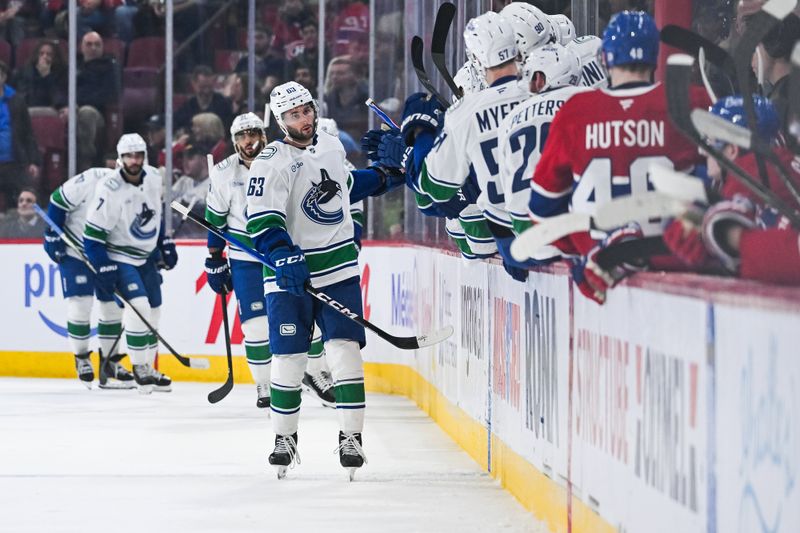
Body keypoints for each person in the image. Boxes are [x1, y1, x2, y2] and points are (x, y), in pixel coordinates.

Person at [245, 81, 403, 478]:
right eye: (293, 115)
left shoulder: (331, 145)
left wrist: (387, 176)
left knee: (345, 352)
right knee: (288, 361)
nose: (303, 119)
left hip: (338, 269)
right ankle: (284, 439)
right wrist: (282, 254)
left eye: (306, 110)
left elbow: (346, 188)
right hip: (287, 278)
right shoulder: (269, 160)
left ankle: (351, 439)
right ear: (280, 121)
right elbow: (262, 220)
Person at [527, 11, 710, 304]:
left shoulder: (576, 111)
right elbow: (723, 184)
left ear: (606, 60)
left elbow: (541, 210)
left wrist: (584, 252)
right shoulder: (691, 100)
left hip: (601, 276)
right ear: (653, 57)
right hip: (679, 274)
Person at [204, 112, 336, 410]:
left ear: (264, 134)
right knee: (256, 326)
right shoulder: (224, 173)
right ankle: (264, 382)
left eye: (253, 133)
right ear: (234, 141)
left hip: (284, 254)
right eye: (242, 136)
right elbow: (215, 221)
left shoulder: (283, 158)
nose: (249, 141)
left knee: (305, 317)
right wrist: (214, 258)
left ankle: (315, 374)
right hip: (246, 259)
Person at [415, 12, 532, 280]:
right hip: (553, 231)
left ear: (478, 61)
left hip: (502, 238)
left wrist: (419, 140)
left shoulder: (465, 113)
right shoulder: (543, 91)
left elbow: (434, 190)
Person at [83, 133, 178, 394]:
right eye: (128, 156)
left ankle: (148, 365)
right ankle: (139, 368)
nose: (133, 160)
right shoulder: (109, 188)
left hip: (146, 257)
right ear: (120, 158)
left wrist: (163, 243)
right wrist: (103, 265)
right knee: (138, 307)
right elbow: (91, 236)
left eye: (137, 155)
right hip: (119, 255)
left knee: (154, 311)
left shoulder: (154, 178)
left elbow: (155, 217)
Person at [43, 168, 135, 389]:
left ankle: (110, 361)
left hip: (105, 254)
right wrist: (51, 234)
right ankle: (81, 357)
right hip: (75, 251)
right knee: (80, 303)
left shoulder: (136, 189)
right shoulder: (92, 178)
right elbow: (57, 200)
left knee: (112, 307)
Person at [498, 43, 585, 239]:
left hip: (524, 228)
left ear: (539, 78)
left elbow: (505, 184)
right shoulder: (588, 100)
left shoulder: (511, 118)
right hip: (572, 224)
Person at [75, 31, 121, 171]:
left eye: (97, 44)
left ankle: (86, 161)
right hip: (70, 108)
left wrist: (77, 103)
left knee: (86, 113)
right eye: (89, 44)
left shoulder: (109, 67)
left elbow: (108, 95)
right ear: (81, 47)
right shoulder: (73, 65)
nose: (93, 48)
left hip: (97, 113)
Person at [0, 60, 40, 211]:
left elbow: (27, 133)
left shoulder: (16, 101)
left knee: (26, 196)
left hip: (14, 162)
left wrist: (33, 161)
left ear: (4, 77)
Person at [174, 65, 234, 133]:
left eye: (209, 87)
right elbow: (175, 123)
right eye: (202, 87)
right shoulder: (188, 106)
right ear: (193, 84)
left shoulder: (223, 105)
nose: (206, 91)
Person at [14, 39, 67, 109]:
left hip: (54, 109)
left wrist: (47, 76)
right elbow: (23, 96)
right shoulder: (26, 71)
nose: (44, 57)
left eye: (49, 54)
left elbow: (60, 100)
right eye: (41, 53)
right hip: (29, 108)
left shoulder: (63, 72)